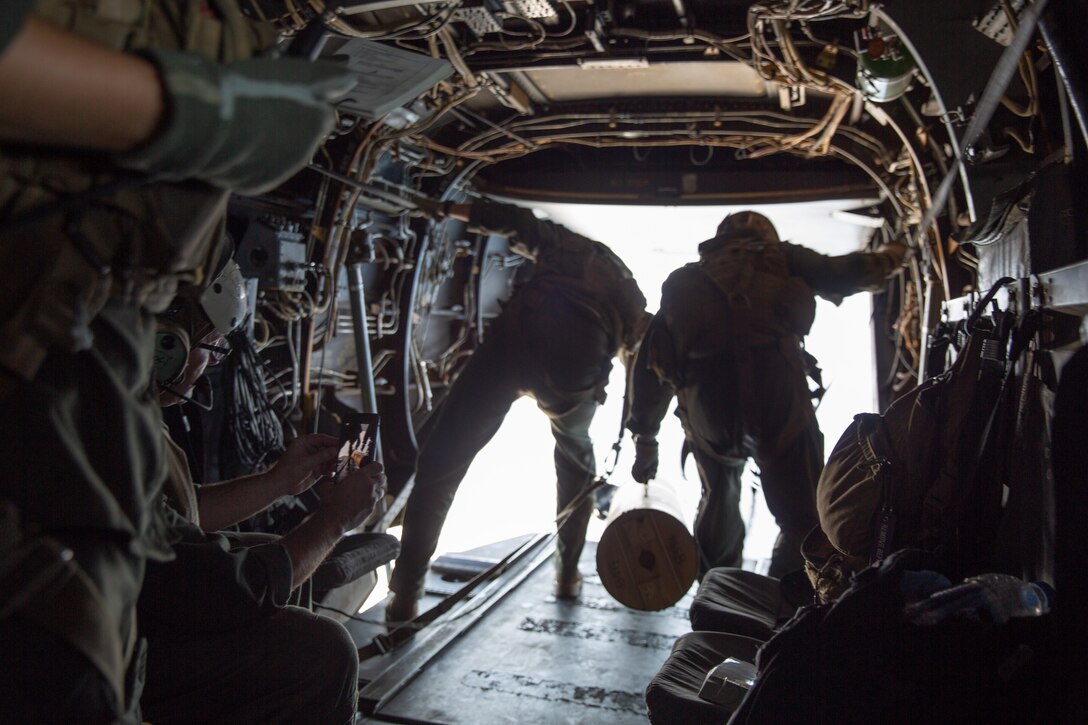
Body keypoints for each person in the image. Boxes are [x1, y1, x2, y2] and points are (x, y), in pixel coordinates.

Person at [0, 5, 354, 722]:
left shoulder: (136, 419)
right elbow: (187, 579)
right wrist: (193, 110)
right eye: (205, 346)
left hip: (90, 313)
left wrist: (286, 478)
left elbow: (161, 529)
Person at [137, 262, 385, 724]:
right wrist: (334, 520)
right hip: (106, 641)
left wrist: (278, 481)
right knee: (323, 652)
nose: (211, 363)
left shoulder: (131, 405)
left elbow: (178, 510)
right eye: (209, 346)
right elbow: (229, 590)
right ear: (165, 345)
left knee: (273, 552)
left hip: (130, 607)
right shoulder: (115, 427)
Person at [385, 198, 649, 620]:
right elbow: (637, 356)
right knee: (575, 463)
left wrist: (447, 207)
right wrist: (636, 428)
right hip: (575, 369)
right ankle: (566, 576)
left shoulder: (566, 244)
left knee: (443, 462)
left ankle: (404, 594)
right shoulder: (630, 292)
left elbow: (513, 221)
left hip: (517, 341)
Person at [625, 211, 907, 579]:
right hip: (779, 400)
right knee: (803, 516)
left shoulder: (683, 282)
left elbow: (651, 368)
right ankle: (788, 599)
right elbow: (846, 273)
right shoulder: (783, 258)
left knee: (718, 502)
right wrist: (890, 256)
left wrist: (646, 441)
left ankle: (719, 593)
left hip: (709, 411)